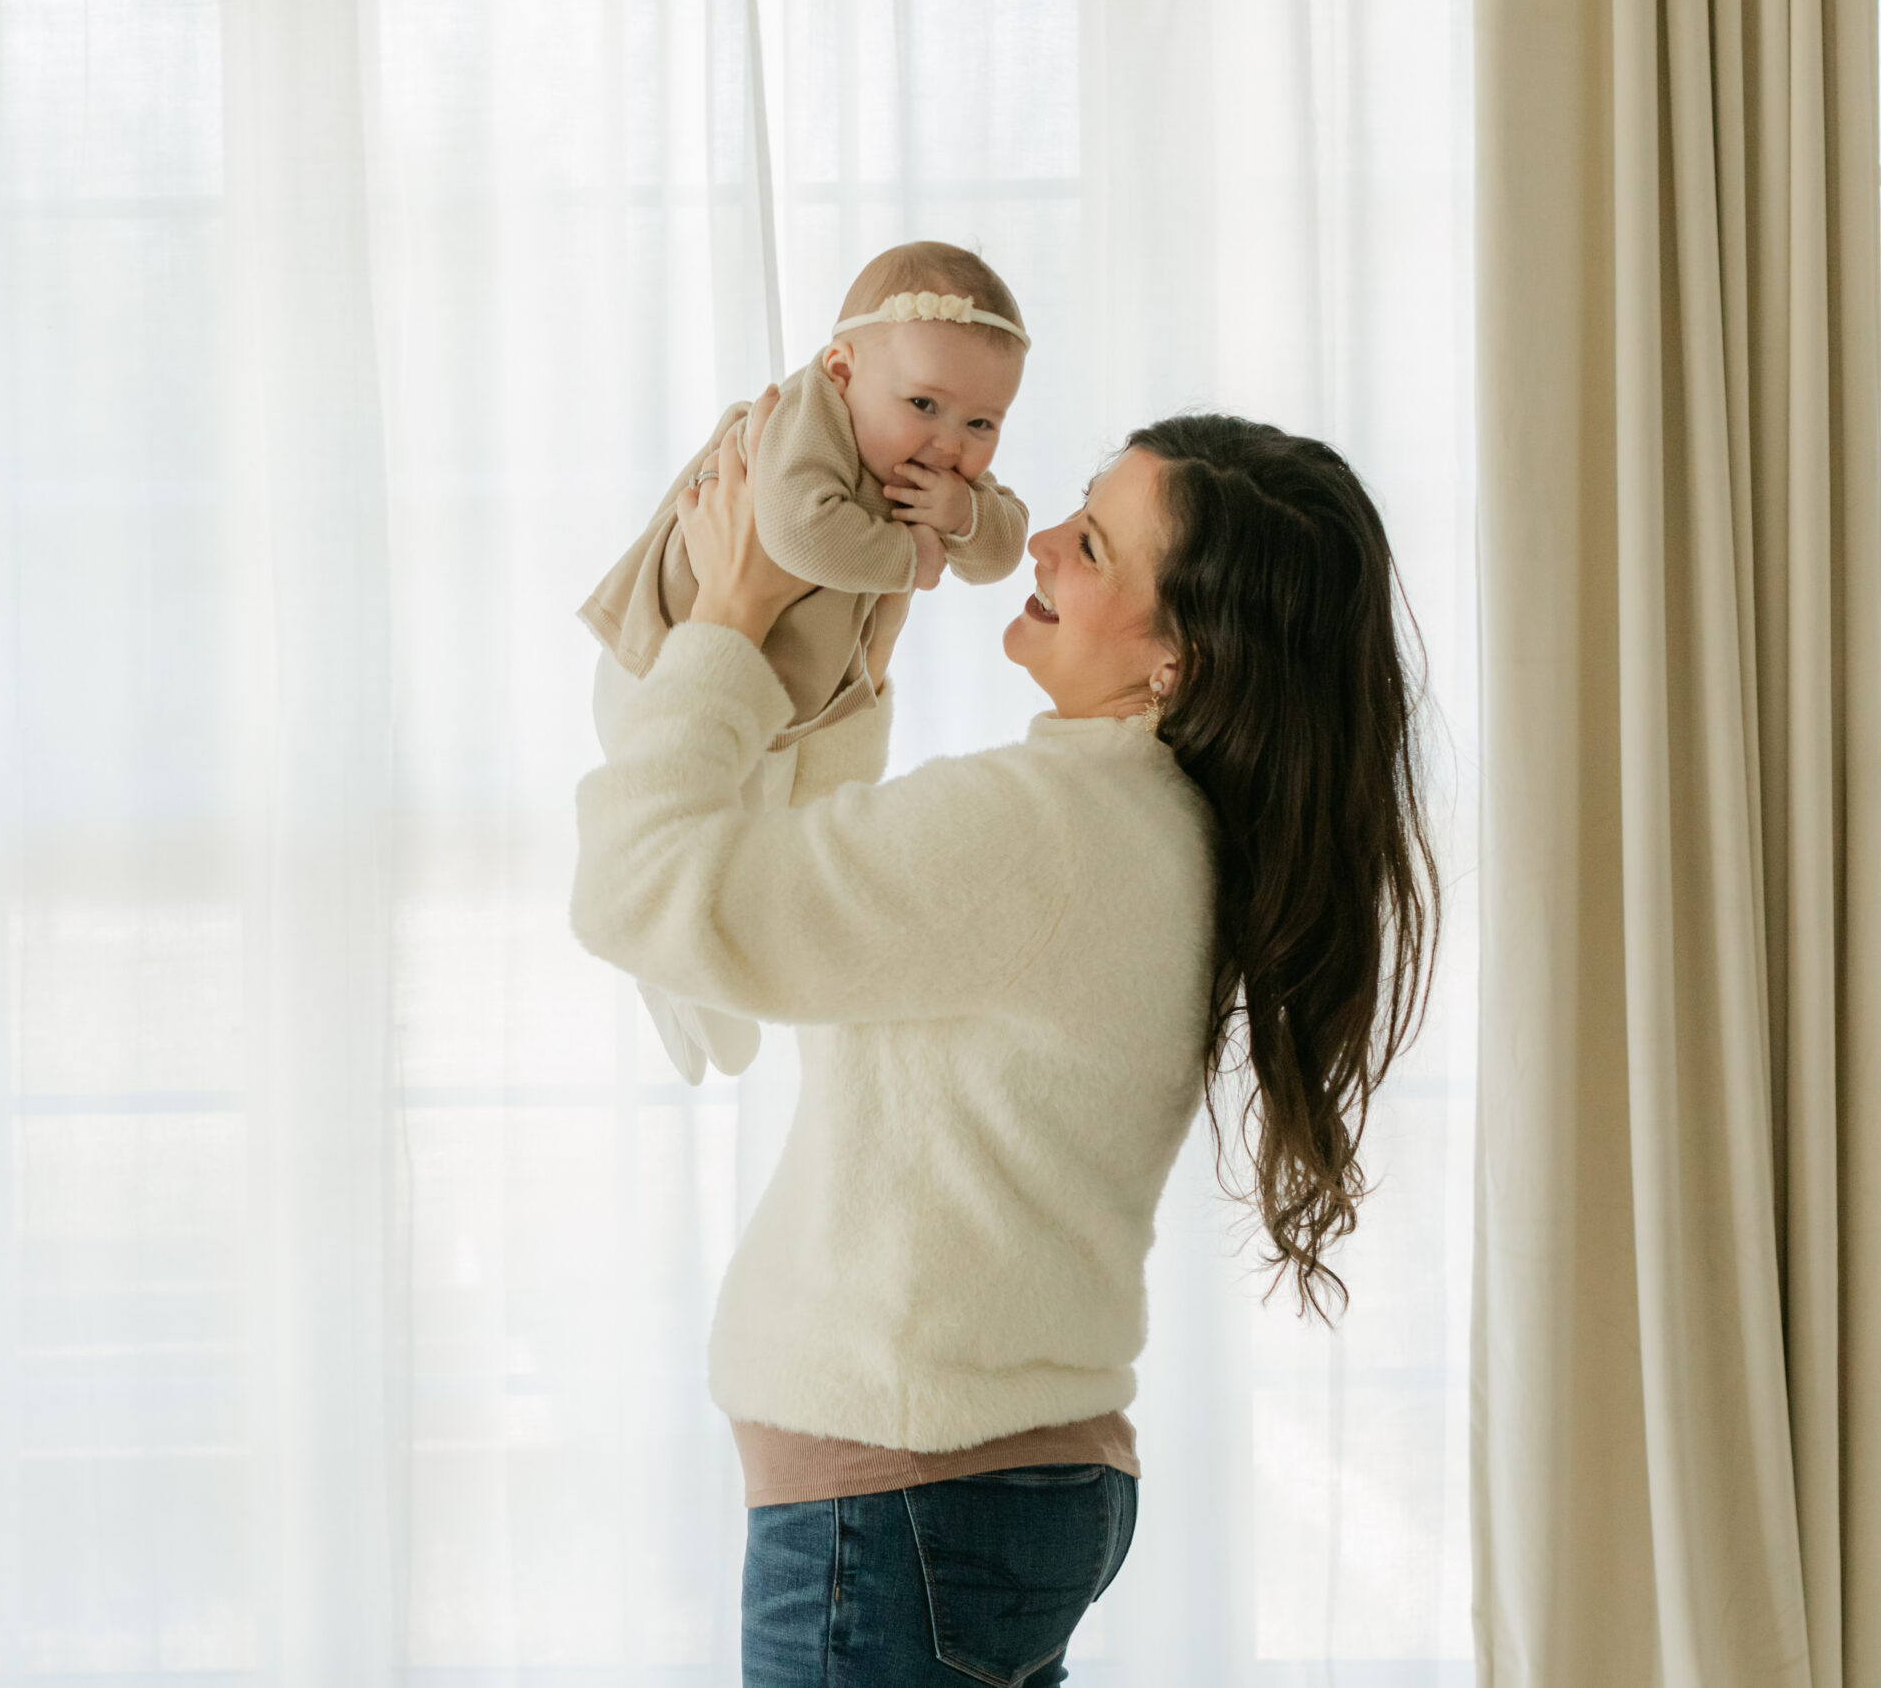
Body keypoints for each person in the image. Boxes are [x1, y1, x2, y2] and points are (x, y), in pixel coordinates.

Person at [570, 395, 1439, 1684]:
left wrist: (728, 624)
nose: (1035, 543)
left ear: (1179, 658)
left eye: (1090, 546)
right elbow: (820, 902)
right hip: (988, 1494)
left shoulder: (1048, 830)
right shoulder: (1149, 828)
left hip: (899, 1511)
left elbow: (642, 889)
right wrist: (850, 637)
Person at [579, 241, 1030, 1084]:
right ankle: (666, 960)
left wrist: (966, 515)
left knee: (763, 854)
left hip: (766, 701)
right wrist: (911, 559)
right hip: (669, 667)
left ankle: (706, 976)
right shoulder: (803, 420)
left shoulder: (929, 467)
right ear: (842, 366)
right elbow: (793, 533)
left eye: (981, 423)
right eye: (924, 403)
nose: (946, 442)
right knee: (693, 835)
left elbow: (1004, 545)